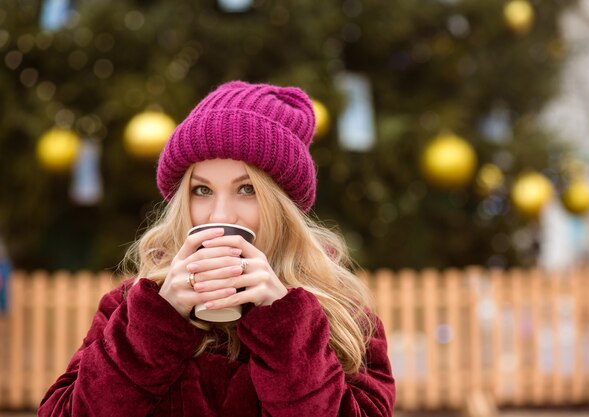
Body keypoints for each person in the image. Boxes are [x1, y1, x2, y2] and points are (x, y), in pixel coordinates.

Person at [39, 81, 396, 416]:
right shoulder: (132, 305)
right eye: (202, 190)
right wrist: (159, 319)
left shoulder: (342, 315)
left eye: (246, 189)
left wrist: (283, 323)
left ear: (281, 206)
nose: (220, 214)